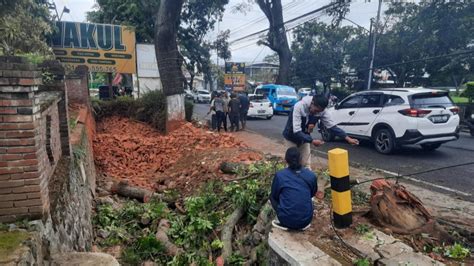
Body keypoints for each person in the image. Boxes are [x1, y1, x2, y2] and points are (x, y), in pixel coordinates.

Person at [283, 95, 359, 169]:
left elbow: (332, 127)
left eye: (319, 112)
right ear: (312, 103)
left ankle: (306, 181)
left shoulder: (322, 111)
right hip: (291, 137)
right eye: (316, 111)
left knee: (306, 164)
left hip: (304, 139)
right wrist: (312, 141)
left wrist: (347, 138)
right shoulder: (299, 107)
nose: (316, 113)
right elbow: (296, 131)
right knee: (291, 164)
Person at [270, 147, 317, 230]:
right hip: (305, 221)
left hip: (286, 220)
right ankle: (301, 216)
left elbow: (274, 196)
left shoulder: (280, 175)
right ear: (301, 159)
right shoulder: (311, 175)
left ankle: (284, 219)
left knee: (272, 197)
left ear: (286, 160)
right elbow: (312, 193)